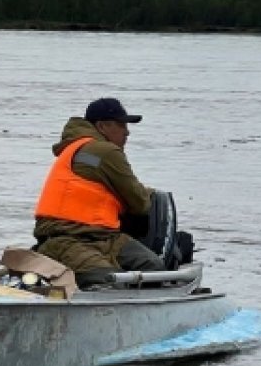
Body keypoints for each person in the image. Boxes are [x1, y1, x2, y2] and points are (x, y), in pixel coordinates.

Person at [32, 97, 164, 287]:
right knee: (112, 281)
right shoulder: (105, 151)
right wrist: (144, 194)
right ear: (102, 126)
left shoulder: (77, 148)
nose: (127, 132)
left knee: (151, 270)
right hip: (68, 240)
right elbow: (140, 203)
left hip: (104, 237)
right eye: (121, 124)